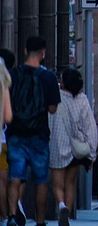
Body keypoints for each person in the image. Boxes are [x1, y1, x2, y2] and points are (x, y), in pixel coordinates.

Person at [8, 36, 61, 226]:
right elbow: (53, 109)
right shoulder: (47, 77)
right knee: (40, 180)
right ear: (43, 53)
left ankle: (13, 215)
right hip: (39, 134)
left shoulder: (13, 74)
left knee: (16, 177)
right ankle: (40, 221)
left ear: (25, 51)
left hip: (15, 132)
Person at [49, 68, 98, 226]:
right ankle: (68, 215)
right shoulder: (83, 99)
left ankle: (61, 205)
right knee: (70, 182)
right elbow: (90, 125)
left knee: (58, 183)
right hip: (77, 147)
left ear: (63, 82)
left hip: (57, 143)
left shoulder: (56, 95)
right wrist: (92, 152)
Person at [0, 50, 14, 222]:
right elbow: (8, 117)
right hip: (1, 140)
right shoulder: (3, 88)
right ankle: (3, 215)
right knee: (2, 180)